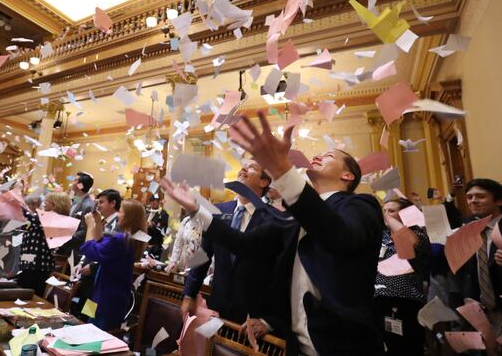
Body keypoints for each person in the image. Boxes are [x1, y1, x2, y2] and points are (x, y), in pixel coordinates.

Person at [162, 111, 384, 356]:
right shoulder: (294, 218)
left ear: (347, 176)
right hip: (294, 346)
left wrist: (282, 171)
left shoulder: (361, 205)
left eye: (329, 155)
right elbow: (245, 245)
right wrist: (197, 210)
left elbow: (337, 235)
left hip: (344, 346)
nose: (318, 155)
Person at [182, 159, 278, 326]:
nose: (243, 169)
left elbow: (277, 273)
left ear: (264, 182)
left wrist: (267, 320)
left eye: (252, 167)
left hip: (251, 314)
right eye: (243, 165)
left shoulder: (273, 218)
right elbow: (202, 255)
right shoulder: (219, 210)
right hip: (217, 305)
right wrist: (189, 294)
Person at [79, 199, 146, 330]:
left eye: (120, 211)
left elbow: (91, 251)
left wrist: (90, 226)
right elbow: (100, 241)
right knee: (87, 325)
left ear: (129, 216)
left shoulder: (122, 239)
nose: (118, 214)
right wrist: (98, 222)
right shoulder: (127, 238)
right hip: (99, 293)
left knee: (95, 336)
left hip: (107, 299)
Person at [375, 198, 430, 356]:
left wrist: (385, 217)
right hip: (378, 298)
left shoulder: (418, 234)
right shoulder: (382, 236)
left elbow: (409, 243)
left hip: (404, 300)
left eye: (391, 211)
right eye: (384, 211)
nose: (386, 214)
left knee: (406, 348)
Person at [460, 179, 502, 337]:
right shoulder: (469, 229)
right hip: (482, 311)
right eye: (469, 197)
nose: (473, 201)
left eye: (480, 196)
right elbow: (469, 270)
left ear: (498, 200)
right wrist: (468, 297)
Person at [73, 189, 122, 314]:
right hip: (87, 274)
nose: (98, 205)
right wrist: (82, 262)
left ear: (113, 203)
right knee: (79, 308)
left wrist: (93, 266)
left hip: (99, 276)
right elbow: (93, 242)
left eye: (101, 202)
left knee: (90, 312)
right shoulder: (101, 220)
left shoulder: (118, 224)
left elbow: (109, 251)